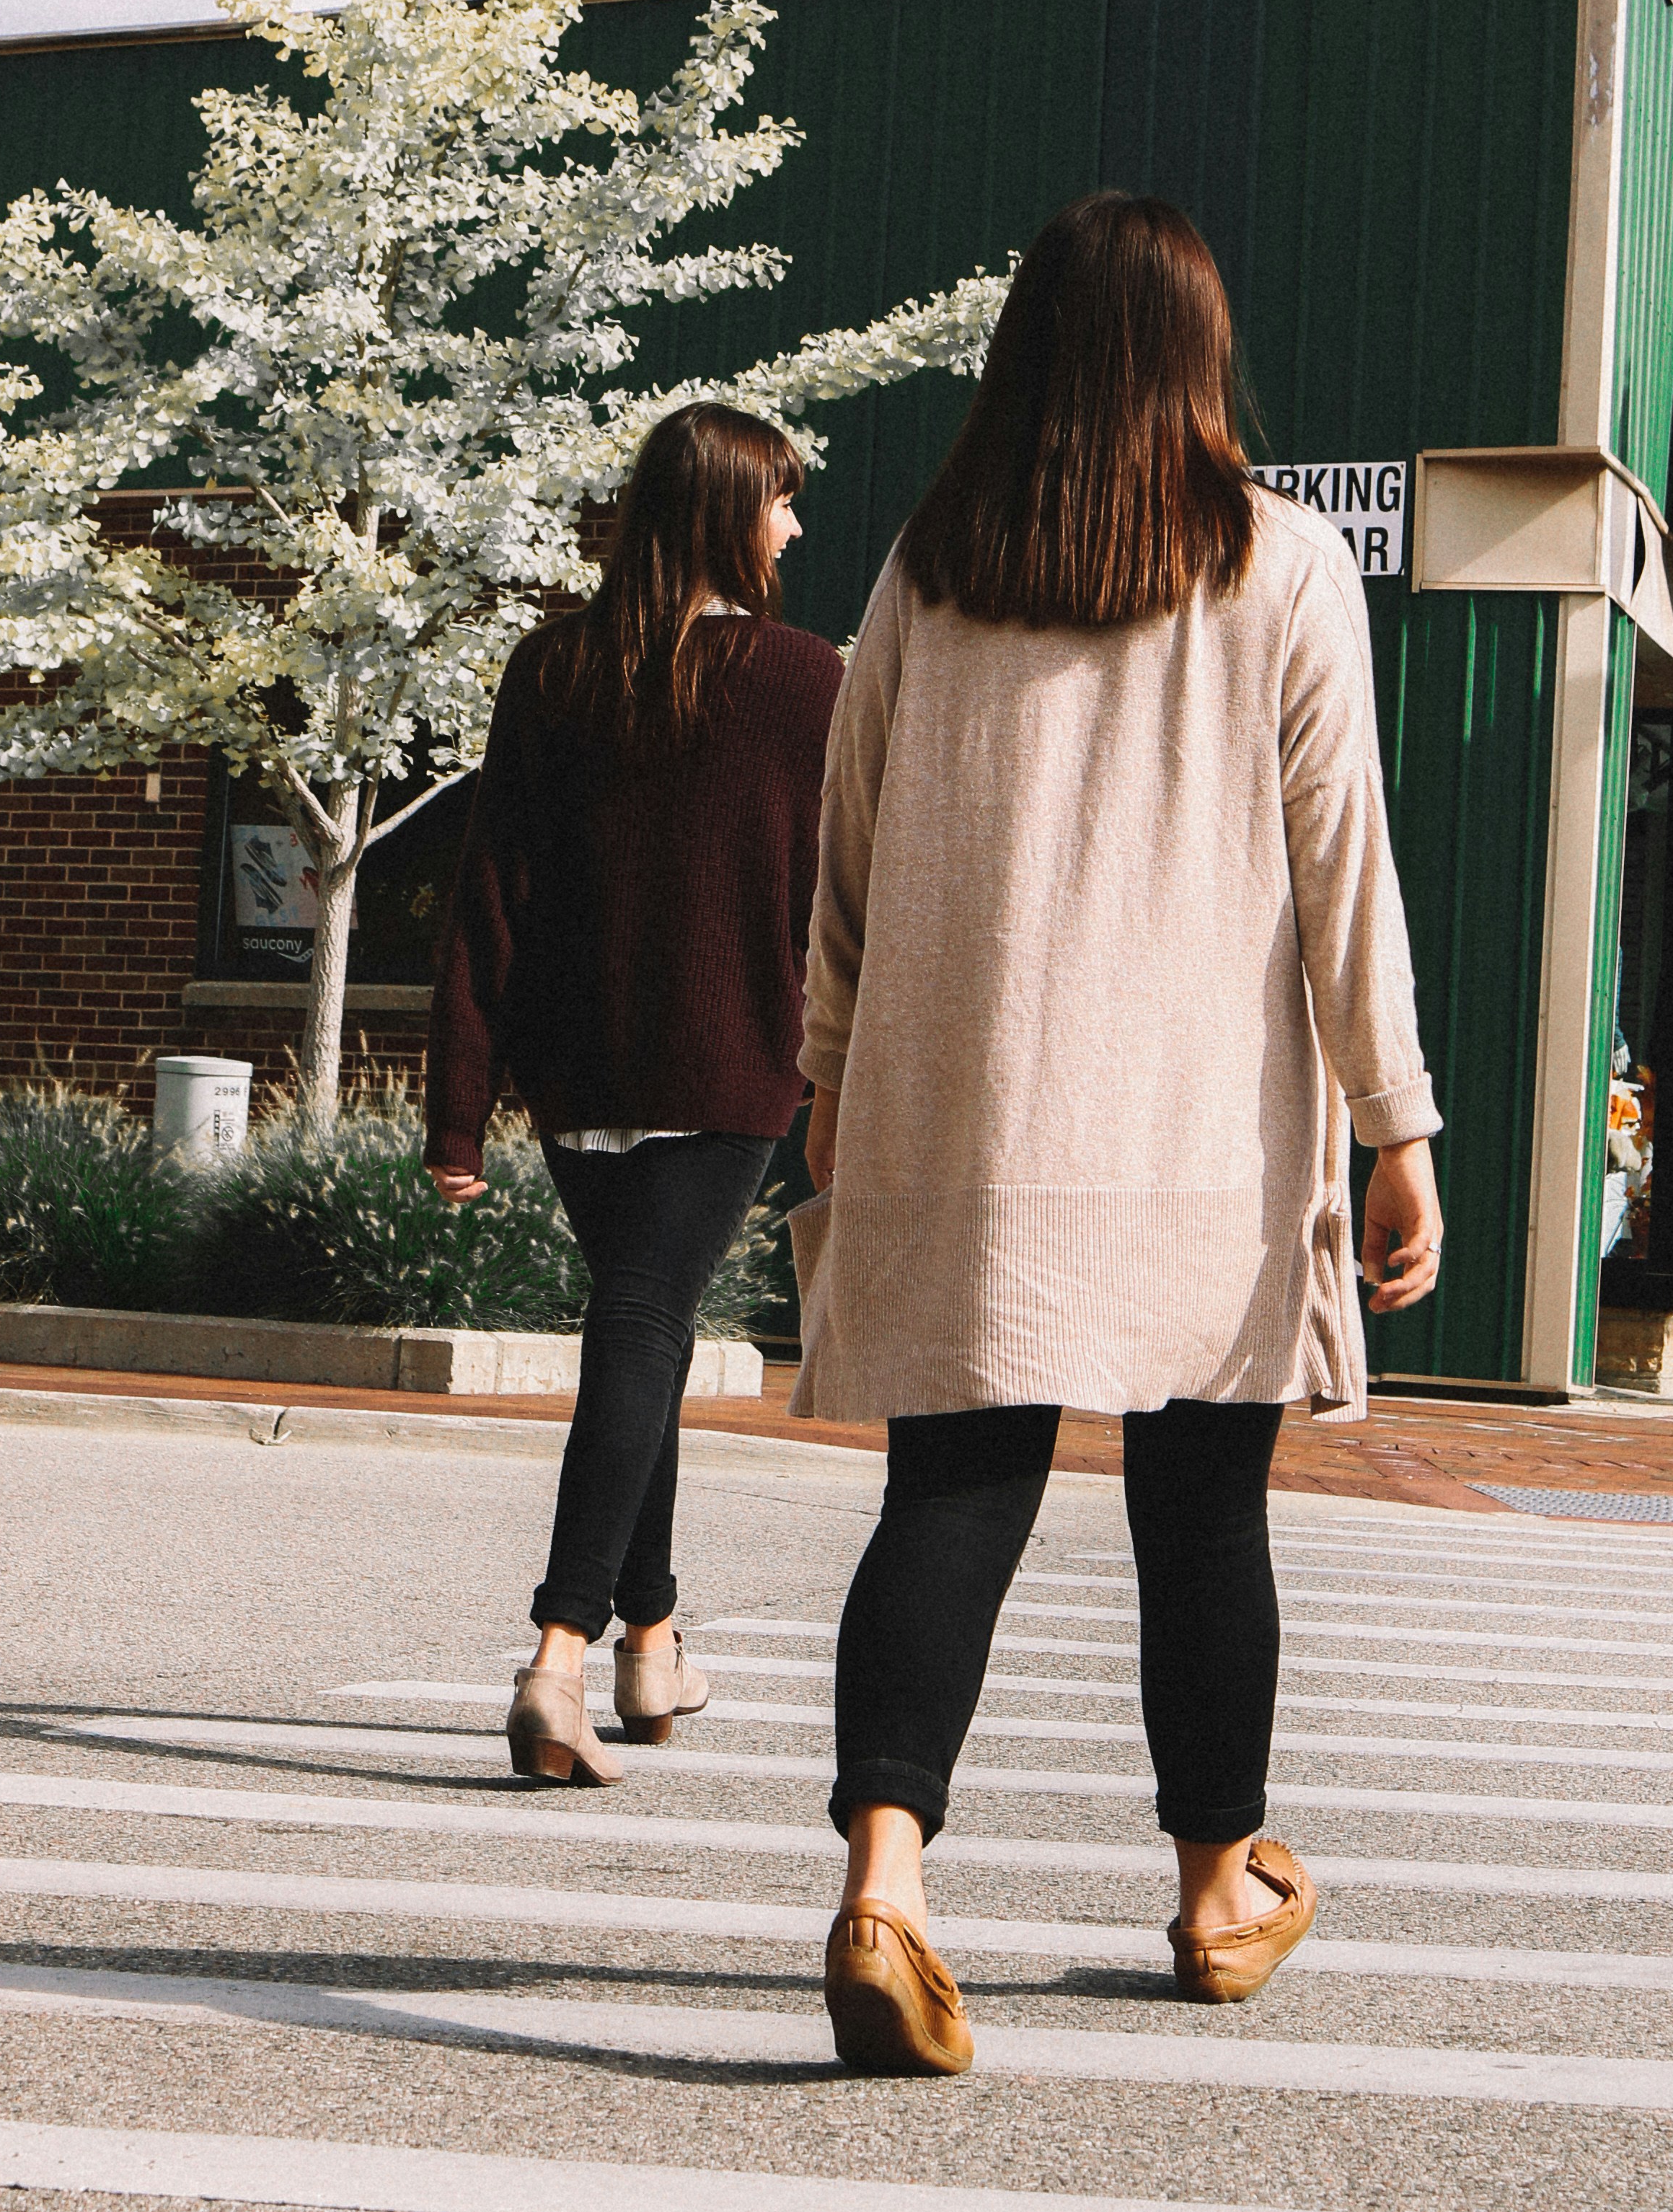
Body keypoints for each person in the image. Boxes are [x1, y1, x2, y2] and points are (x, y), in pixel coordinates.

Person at [790, 193, 1442, 2078]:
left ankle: (885, 1878)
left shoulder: (930, 563)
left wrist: (832, 1065)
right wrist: (1393, 1116)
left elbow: (845, 846)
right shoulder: (1280, 562)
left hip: (964, 1113)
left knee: (949, 1493)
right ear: (1192, 353)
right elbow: (1344, 867)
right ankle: (1215, 1883)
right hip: (1196, 1134)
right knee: (1199, 1517)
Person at [426, 402, 841, 1787]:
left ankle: (651, 1639)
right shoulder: (803, 679)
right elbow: (853, 907)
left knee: (638, 1332)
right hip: (732, 1065)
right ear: (730, 514)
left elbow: (488, 893)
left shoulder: (551, 666)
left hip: (577, 1067)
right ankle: (557, 1650)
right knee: (645, 1322)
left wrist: (463, 1101)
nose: (797, 524)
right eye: (781, 499)